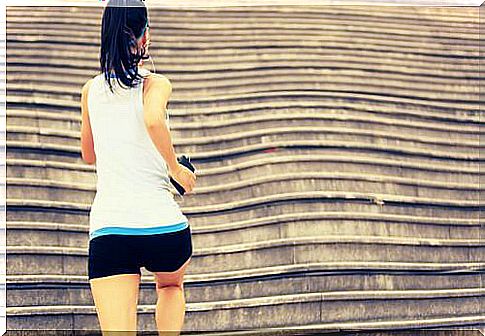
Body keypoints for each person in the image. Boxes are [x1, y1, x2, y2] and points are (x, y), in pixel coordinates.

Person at [79, 0, 197, 334]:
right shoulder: (155, 84)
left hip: (110, 229)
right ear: (144, 36)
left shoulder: (90, 91)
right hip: (163, 227)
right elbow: (152, 118)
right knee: (170, 287)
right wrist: (176, 170)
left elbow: (88, 154)